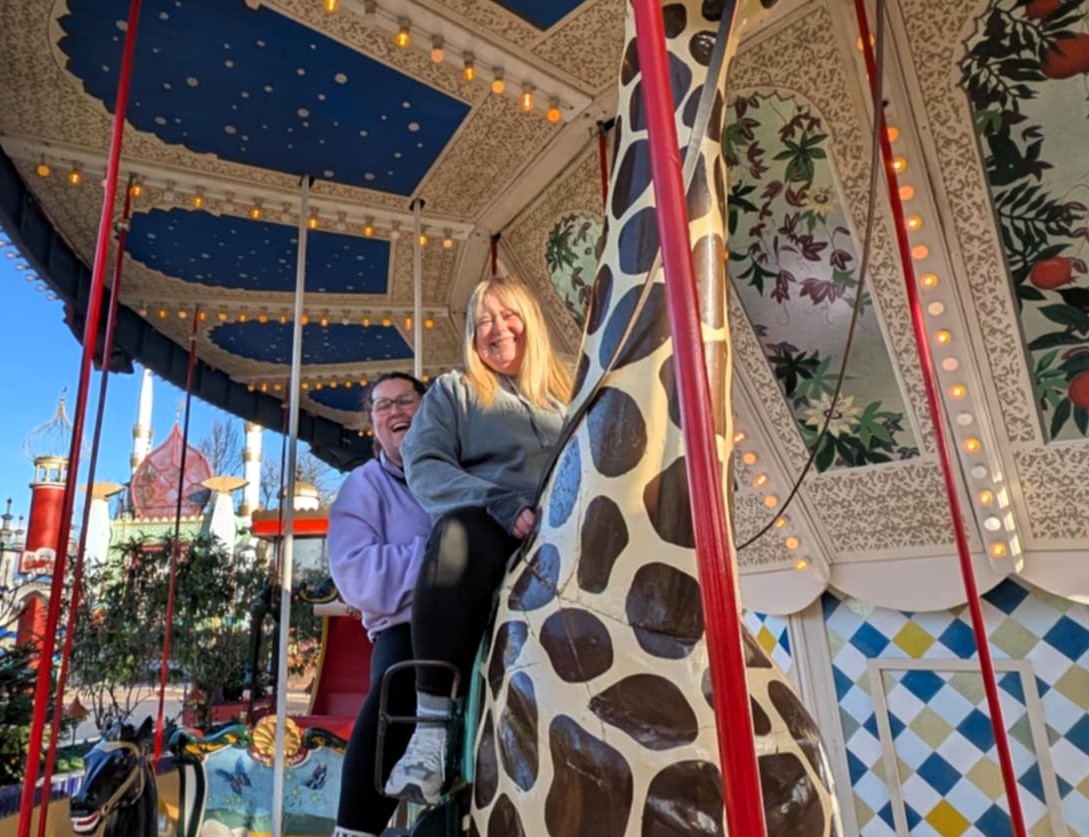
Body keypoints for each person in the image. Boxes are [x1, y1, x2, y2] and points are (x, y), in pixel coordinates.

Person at [383, 275, 572, 805]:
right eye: (483, 320)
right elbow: (423, 464)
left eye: (506, 314)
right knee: (455, 536)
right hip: (500, 534)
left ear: (529, 319)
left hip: (573, 526)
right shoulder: (456, 392)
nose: (496, 329)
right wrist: (498, 501)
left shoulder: (568, 389)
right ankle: (431, 732)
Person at [327, 372, 432, 837]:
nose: (395, 411)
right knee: (398, 685)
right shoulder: (363, 488)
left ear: (426, 409)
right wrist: (439, 560)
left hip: (476, 618)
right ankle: (356, 826)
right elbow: (356, 575)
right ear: (373, 424)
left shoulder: (456, 470)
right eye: (382, 405)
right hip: (406, 626)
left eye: (405, 400)